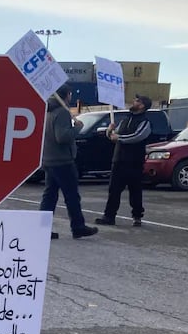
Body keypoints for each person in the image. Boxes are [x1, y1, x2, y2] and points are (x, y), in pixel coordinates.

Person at [39, 84, 98, 239]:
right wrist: (78, 128)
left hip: (49, 159)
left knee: (49, 196)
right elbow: (62, 137)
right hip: (62, 160)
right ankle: (78, 226)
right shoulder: (62, 112)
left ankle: (42, 228)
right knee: (71, 196)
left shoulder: (48, 111)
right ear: (67, 95)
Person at [95, 94, 152, 227]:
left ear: (142, 106)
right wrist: (109, 131)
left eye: (137, 101)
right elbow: (114, 136)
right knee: (113, 190)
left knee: (135, 191)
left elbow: (137, 136)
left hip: (134, 162)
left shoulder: (145, 122)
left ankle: (137, 216)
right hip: (119, 160)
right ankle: (109, 216)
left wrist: (119, 138)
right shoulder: (125, 120)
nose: (133, 102)